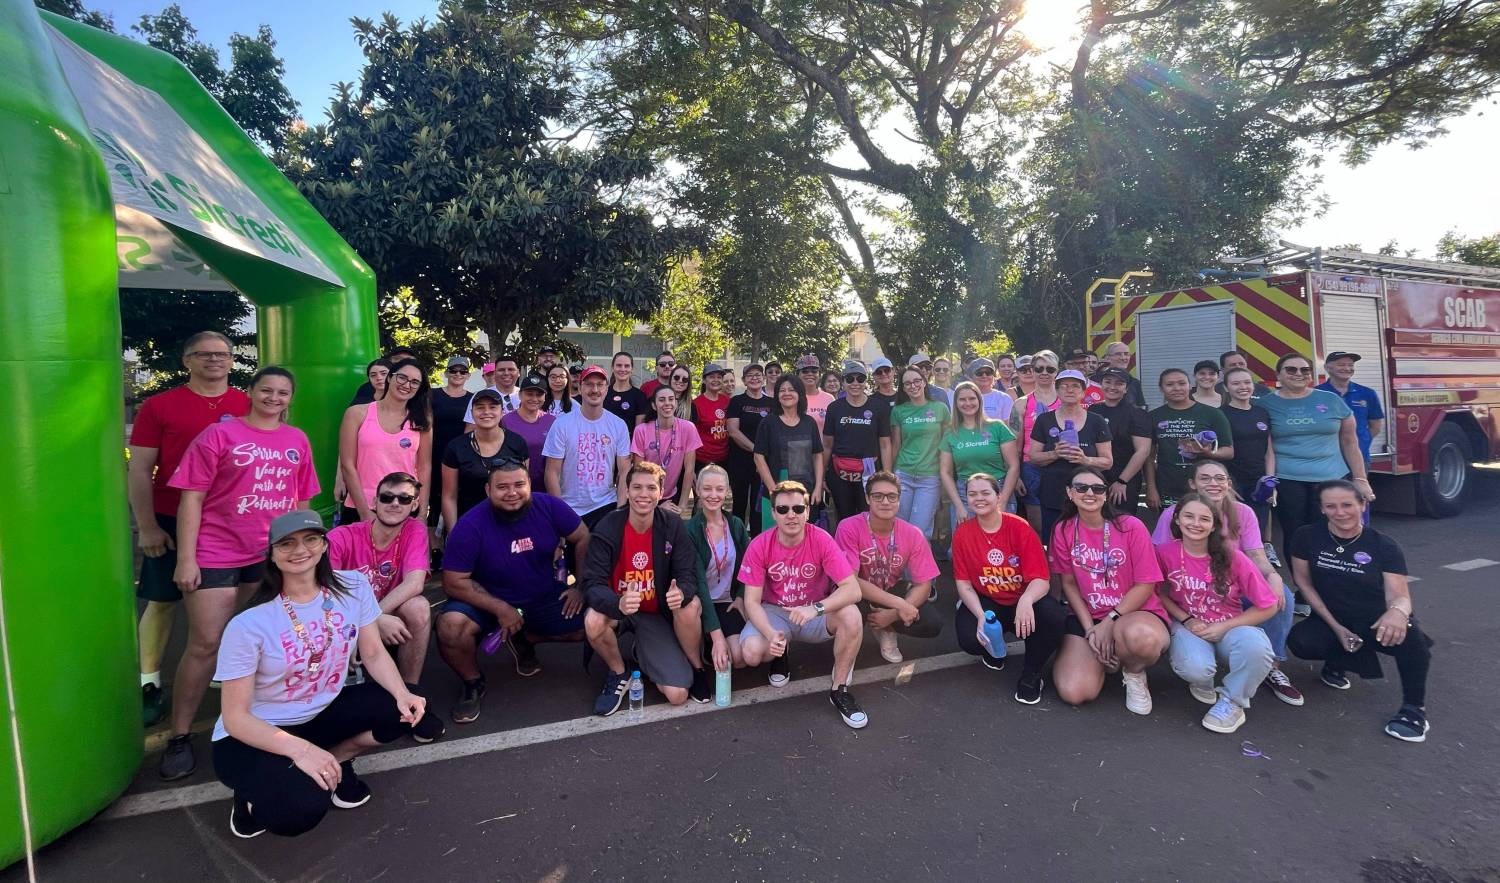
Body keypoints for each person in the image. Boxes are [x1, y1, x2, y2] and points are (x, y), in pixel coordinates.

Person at [211, 511, 427, 839]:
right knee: (299, 810)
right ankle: (250, 798)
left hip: (320, 712)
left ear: (324, 545)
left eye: (310, 539)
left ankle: (333, 763)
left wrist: (402, 693)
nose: (300, 550)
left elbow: (372, 652)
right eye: (286, 543)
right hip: (255, 732)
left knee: (404, 711)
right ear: (271, 553)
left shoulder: (353, 586)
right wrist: (300, 750)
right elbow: (235, 719)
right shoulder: (248, 624)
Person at [160, 366, 321, 780]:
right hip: (215, 552)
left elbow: (301, 502)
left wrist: (302, 553)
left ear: (290, 398)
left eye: (282, 392)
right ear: (250, 392)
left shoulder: (296, 440)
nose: (273, 398)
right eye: (266, 390)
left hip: (269, 555)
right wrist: (187, 559)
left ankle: (249, 723)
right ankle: (179, 735)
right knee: (205, 643)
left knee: (258, 642)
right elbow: (191, 500)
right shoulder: (219, 435)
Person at [129, 331, 251, 727]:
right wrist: (146, 526)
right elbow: (139, 469)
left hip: (231, 523)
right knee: (163, 601)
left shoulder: (248, 404)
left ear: (233, 360)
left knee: (228, 603)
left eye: (222, 354)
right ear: (187, 360)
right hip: (169, 517)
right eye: (204, 354)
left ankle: (220, 670)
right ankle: (149, 683)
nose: (215, 360)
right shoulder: (160, 405)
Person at [438, 460, 589, 722]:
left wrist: (581, 587)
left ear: (529, 484)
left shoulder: (549, 506)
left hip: (541, 596)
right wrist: (501, 608)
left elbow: (584, 537)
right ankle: (473, 682)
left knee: (596, 622)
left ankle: (526, 637)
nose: (512, 492)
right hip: (487, 603)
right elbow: (453, 581)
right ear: (488, 490)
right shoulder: (470, 524)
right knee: (451, 626)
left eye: (519, 484)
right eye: (502, 487)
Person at [1288, 480, 1431, 742]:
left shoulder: (1384, 546)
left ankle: (1414, 709)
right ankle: (1337, 660)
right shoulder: (1306, 536)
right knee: (1301, 642)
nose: (1340, 512)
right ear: (1322, 509)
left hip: (1374, 618)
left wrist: (1397, 613)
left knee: (1413, 640)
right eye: (1331, 506)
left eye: (1347, 505)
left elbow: (1400, 595)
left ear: (1362, 505)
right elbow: (1304, 583)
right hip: (1333, 615)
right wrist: (1335, 626)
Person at [1151, 460, 1302, 706]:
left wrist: (1273, 576)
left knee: (1281, 595)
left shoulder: (1243, 513)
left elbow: (1256, 556)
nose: (1213, 483)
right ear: (1192, 483)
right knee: (1197, 657)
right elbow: (1161, 561)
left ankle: (1270, 666)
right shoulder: (1174, 514)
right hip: (1188, 592)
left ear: (1228, 484)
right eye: (1205, 478)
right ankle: (1199, 657)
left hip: (1234, 582)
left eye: (1219, 478)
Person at [581, 462, 710, 712]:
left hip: (653, 613)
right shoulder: (607, 526)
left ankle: (694, 666)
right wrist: (616, 602)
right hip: (618, 609)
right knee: (593, 620)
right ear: (626, 491)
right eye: (637, 487)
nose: (643, 494)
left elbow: (688, 574)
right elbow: (591, 583)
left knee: (678, 694)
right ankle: (619, 672)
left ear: (661, 493)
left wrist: (681, 591)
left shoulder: (672, 525)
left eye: (651, 488)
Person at [738, 481, 868, 728]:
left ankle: (839, 688)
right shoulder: (759, 544)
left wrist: (816, 608)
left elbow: (853, 589)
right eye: (783, 509)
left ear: (807, 511)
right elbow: (751, 602)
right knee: (751, 652)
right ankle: (781, 650)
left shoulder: (822, 539)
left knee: (851, 615)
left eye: (798, 509)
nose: (791, 515)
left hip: (813, 612)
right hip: (776, 612)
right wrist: (769, 633)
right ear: (773, 513)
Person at [326, 474, 444, 744]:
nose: (394, 503)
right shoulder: (341, 537)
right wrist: (369, 622)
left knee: (418, 607)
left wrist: (375, 616)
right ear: (373, 502)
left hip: (385, 620)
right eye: (387, 497)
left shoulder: (414, 530)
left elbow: (415, 583)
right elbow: (325, 594)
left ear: (414, 505)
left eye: (403, 499)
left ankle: (408, 695)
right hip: (344, 622)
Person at [1049, 466, 1169, 714]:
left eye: (1098, 488)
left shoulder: (1130, 526)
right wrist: (1091, 630)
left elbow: (1146, 583)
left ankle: (1133, 672)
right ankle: (1106, 656)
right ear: (1070, 493)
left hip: (1133, 612)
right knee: (1075, 692)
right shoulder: (1063, 530)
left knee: (1142, 639)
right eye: (1081, 488)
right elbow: (1068, 585)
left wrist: (1109, 623)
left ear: (1105, 494)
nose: (1089, 493)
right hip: (1088, 615)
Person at [1154, 494, 1277, 734]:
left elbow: (1268, 605)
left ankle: (1233, 702)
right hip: (1189, 625)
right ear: (1177, 520)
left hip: (1229, 626)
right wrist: (1186, 619)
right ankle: (1202, 681)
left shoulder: (1233, 557)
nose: (1195, 523)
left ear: (1214, 525)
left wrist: (1225, 627)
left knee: (1257, 648)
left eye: (1204, 519)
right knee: (1196, 669)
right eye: (1188, 516)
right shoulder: (1165, 552)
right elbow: (1158, 594)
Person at [1258, 353, 1373, 600]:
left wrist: (1360, 479)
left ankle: (1332, 584)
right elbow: (1262, 444)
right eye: (1291, 370)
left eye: (1304, 370)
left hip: (1332, 478)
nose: (1299, 374)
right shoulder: (1265, 405)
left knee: (1333, 531)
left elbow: (1350, 442)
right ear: (1278, 375)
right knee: (1296, 535)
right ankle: (1305, 590)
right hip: (1289, 479)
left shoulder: (1331, 401)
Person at [949, 473, 1068, 703]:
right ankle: (994, 650)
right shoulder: (963, 533)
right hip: (989, 600)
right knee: (969, 638)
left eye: (986, 493)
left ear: (999, 496)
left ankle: (1032, 673)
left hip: (1023, 598)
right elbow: (963, 584)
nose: (979, 498)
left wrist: (1026, 601)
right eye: (972, 494)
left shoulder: (1019, 527)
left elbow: (1041, 580)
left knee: (1053, 618)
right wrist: (981, 616)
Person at [834, 472, 943, 665]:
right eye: (878, 496)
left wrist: (892, 615)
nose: (885, 501)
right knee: (848, 611)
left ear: (899, 500)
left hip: (889, 589)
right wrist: (900, 605)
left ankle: (887, 629)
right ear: (868, 498)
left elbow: (924, 584)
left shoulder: (912, 533)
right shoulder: (848, 527)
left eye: (892, 496)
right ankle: (846, 652)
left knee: (931, 623)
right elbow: (849, 581)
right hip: (856, 592)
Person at [339, 358, 433, 525]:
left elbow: (424, 467)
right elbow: (347, 464)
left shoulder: (422, 420)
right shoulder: (357, 414)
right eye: (402, 377)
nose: (407, 385)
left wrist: (422, 513)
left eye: (415, 382)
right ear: (390, 377)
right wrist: (364, 512)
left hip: (403, 506)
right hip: (362, 506)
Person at [543, 364, 633, 535]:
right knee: (573, 561)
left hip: (605, 505)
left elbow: (624, 471)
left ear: (607, 389)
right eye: (589, 384)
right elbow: (551, 473)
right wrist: (559, 513)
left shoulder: (618, 425)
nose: (595, 389)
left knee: (603, 560)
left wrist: (621, 513)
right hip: (570, 506)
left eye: (600, 385)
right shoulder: (562, 424)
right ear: (580, 387)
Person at [1027, 369, 1113, 542]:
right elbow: (1033, 456)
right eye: (1064, 386)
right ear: (1057, 391)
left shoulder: (1097, 421)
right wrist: (1054, 453)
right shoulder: (1044, 420)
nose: (1070, 390)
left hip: (1089, 495)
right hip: (1053, 493)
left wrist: (1085, 459)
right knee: (1054, 541)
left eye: (1075, 386)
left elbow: (1108, 461)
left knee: (1087, 542)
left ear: (1083, 392)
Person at [684, 465, 749, 670]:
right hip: (701, 603)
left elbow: (751, 566)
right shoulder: (690, 530)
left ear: (727, 491)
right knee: (719, 653)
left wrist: (740, 596)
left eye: (719, 489)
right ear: (698, 490)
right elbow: (699, 583)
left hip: (727, 602)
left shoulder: (736, 525)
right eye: (707, 489)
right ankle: (705, 642)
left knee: (738, 658)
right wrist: (717, 633)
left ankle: (713, 642)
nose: (713, 495)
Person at [441, 387, 531, 529]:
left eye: (493, 407)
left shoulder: (517, 443)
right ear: (472, 413)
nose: (486, 412)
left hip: (509, 524)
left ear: (502, 412)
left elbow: (524, 489)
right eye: (480, 408)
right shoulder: (455, 447)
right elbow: (449, 497)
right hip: (469, 524)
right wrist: (454, 534)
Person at [1145, 368, 1233, 510]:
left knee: (1205, 526)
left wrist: (1208, 453)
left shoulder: (1213, 414)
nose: (1177, 388)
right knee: (1170, 527)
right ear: (1161, 388)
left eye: (1181, 383)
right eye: (1170, 384)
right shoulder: (1153, 416)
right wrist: (1151, 488)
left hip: (1205, 485)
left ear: (1189, 386)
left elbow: (1229, 451)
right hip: (1168, 485)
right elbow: (1149, 457)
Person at [823, 360, 893, 524]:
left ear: (866, 381)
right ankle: (843, 550)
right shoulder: (834, 408)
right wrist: (822, 478)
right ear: (843, 381)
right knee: (844, 519)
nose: (855, 383)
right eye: (850, 379)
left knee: (869, 518)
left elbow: (885, 444)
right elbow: (827, 445)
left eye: (860, 378)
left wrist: (887, 476)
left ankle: (868, 549)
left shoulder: (878, 406)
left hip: (869, 472)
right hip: (839, 472)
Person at [940, 381, 1019, 523]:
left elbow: (1013, 466)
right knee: (967, 543)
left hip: (998, 490)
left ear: (979, 400)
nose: (968, 403)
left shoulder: (997, 427)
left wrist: (1003, 500)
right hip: (965, 494)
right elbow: (945, 472)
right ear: (956, 403)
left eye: (972, 398)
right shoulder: (950, 433)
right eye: (962, 399)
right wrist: (958, 506)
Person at [753, 376, 826, 528]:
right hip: (778, 493)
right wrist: (773, 491)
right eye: (782, 390)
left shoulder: (809, 423)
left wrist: (819, 486)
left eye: (791, 390)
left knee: (808, 539)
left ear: (799, 393)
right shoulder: (769, 423)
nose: (787, 393)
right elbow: (758, 457)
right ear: (777, 395)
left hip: (807, 493)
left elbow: (817, 455)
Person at [890, 367, 951, 541]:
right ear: (903, 388)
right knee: (900, 527)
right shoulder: (899, 411)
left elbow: (947, 444)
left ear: (924, 382)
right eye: (907, 383)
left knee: (920, 531)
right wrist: (891, 475)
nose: (913, 385)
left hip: (930, 477)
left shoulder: (940, 408)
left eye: (917, 381)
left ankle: (920, 569)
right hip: (904, 475)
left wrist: (946, 473)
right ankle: (899, 569)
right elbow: (896, 446)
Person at [1220, 366, 1276, 545]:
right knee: (1233, 530)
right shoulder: (1220, 415)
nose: (1242, 387)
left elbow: (1269, 451)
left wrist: (1270, 481)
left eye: (1246, 382)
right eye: (1235, 383)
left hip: (1259, 481)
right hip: (1233, 482)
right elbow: (1215, 453)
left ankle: (1256, 569)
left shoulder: (1262, 413)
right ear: (1226, 388)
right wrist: (1225, 485)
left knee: (1256, 528)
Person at [1091, 367, 1152, 519]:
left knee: (1121, 523)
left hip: (1124, 479)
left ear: (1126, 388)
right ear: (1101, 384)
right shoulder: (1092, 410)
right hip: (1095, 477)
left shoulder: (1137, 414)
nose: (1112, 387)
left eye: (1119, 383)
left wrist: (1122, 481)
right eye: (1108, 382)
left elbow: (1142, 451)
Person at [631, 384, 702, 513]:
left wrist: (682, 506)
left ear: (676, 402)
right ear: (654, 405)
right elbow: (639, 473)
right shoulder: (641, 430)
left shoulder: (688, 428)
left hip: (672, 496)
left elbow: (689, 470)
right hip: (647, 495)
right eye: (662, 399)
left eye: (671, 399)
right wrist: (655, 506)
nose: (667, 403)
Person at [1012, 350, 1060, 536]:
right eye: (1039, 368)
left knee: (1061, 522)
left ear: (1057, 371)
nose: (1044, 373)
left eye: (1050, 368)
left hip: (1060, 465)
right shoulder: (1021, 404)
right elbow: (1014, 445)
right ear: (1032, 370)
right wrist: (1015, 476)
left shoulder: (1067, 400)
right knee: (1037, 526)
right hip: (1031, 467)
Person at [430, 356, 475, 535]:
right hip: (434, 455)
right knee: (435, 503)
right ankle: (435, 548)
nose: (458, 374)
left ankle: (458, 539)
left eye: (462, 371)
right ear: (446, 373)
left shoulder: (473, 399)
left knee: (459, 500)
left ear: (468, 375)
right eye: (454, 371)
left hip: (461, 457)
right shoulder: (432, 395)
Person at [1317, 351, 1386, 464]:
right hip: (1325, 460)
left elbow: (1375, 427)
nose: (1347, 368)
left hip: (1358, 459)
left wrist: (1361, 442)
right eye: (1341, 365)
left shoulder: (1367, 393)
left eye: (1350, 365)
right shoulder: (1316, 394)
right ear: (1327, 368)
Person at [726, 363, 772, 525]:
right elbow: (733, 431)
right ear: (744, 381)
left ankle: (757, 542)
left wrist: (763, 454)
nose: (755, 378)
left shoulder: (773, 403)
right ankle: (738, 541)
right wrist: (756, 449)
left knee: (758, 504)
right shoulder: (736, 402)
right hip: (740, 461)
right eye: (750, 376)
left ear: (764, 378)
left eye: (758, 375)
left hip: (765, 462)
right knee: (739, 502)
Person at [503, 373, 557, 489]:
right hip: (515, 487)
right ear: (520, 395)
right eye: (529, 394)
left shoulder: (552, 421)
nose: (534, 399)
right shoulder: (506, 421)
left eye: (539, 395)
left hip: (546, 486)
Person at [692, 363, 732, 472]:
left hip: (725, 459)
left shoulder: (727, 401)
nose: (716, 380)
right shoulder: (696, 404)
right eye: (712, 377)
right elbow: (691, 437)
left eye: (719, 377)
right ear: (704, 380)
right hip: (702, 460)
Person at [462, 356, 521, 427]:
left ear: (518, 372)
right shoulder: (480, 396)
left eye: (511, 369)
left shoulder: (527, 396)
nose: (506, 373)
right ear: (495, 373)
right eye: (501, 370)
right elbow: (470, 428)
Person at [604, 351, 649, 429]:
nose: (622, 369)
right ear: (612, 368)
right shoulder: (603, 393)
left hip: (629, 441)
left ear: (632, 369)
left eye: (627, 366)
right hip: (604, 439)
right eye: (619, 365)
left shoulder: (639, 396)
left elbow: (639, 431)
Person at [1097, 342, 1146, 408]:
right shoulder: (1095, 380)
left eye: (1126, 354)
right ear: (1107, 358)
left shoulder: (1134, 382)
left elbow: (1141, 407)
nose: (1123, 358)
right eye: (1118, 354)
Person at [795, 354, 836, 434]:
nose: (810, 374)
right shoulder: (792, 398)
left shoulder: (829, 399)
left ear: (819, 375)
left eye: (814, 371)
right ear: (798, 375)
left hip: (824, 446)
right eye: (805, 371)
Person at [968, 357, 1014, 422]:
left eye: (988, 372)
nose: (984, 376)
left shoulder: (1004, 398)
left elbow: (1008, 427)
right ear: (971, 377)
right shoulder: (964, 398)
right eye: (979, 373)